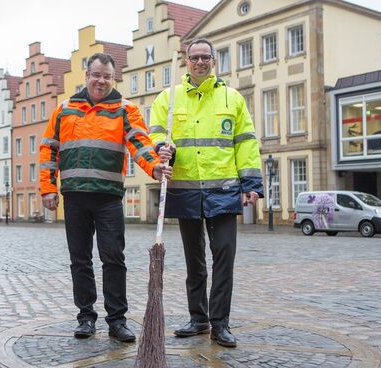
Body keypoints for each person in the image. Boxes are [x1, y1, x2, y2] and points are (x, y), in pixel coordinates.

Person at [39, 53, 172, 342]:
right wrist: (48, 188)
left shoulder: (125, 110)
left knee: (113, 258)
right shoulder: (65, 109)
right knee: (80, 260)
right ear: (86, 76)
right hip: (75, 196)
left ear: (114, 79)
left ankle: (117, 320)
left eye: (107, 76)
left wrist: (155, 167)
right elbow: (49, 149)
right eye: (96, 75)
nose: (101, 81)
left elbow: (140, 143)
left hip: (108, 197)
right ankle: (85, 317)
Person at [149, 38, 263, 348]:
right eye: (194, 57)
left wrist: (251, 185)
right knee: (194, 259)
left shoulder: (232, 98)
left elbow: (246, 142)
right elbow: (156, 131)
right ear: (186, 61)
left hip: (224, 191)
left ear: (214, 61)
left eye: (205, 57)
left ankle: (220, 323)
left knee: (224, 257)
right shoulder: (168, 99)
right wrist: (162, 149)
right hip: (186, 190)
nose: (200, 62)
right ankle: (198, 318)